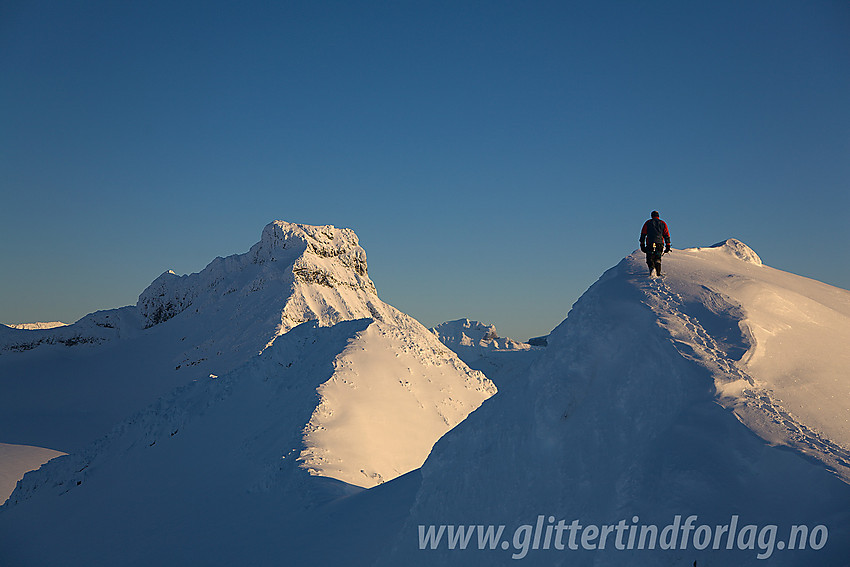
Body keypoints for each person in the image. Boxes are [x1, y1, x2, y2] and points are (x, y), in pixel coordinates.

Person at [640, 211, 671, 276]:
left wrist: (642, 244)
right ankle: (658, 272)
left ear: (651, 216)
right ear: (658, 216)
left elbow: (643, 234)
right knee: (658, 257)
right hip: (660, 243)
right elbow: (666, 234)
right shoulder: (663, 223)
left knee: (650, 257)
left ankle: (652, 269)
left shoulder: (647, 223)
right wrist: (668, 245)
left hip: (650, 243)